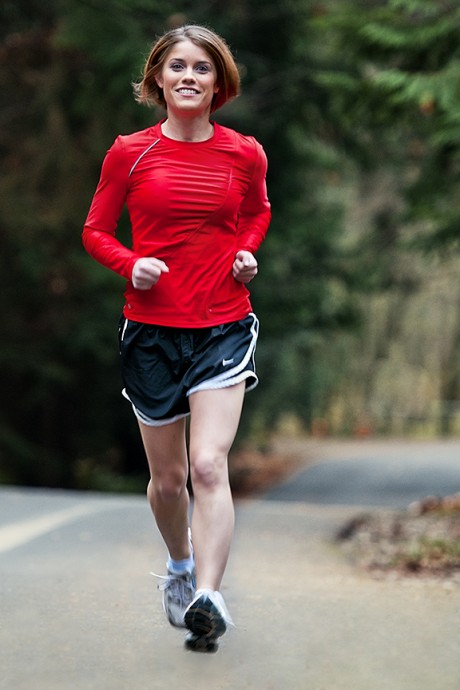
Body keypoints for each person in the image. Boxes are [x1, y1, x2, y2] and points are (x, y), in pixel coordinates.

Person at [82, 24, 271, 652]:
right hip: (151, 332)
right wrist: (128, 263)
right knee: (169, 482)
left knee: (208, 465)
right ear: (157, 80)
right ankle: (182, 567)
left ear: (220, 82)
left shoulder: (244, 153)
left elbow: (256, 213)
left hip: (222, 322)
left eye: (203, 68)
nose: (190, 77)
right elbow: (96, 230)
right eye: (178, 67)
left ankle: (209, 599)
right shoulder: (128, 153)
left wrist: (245, 254)